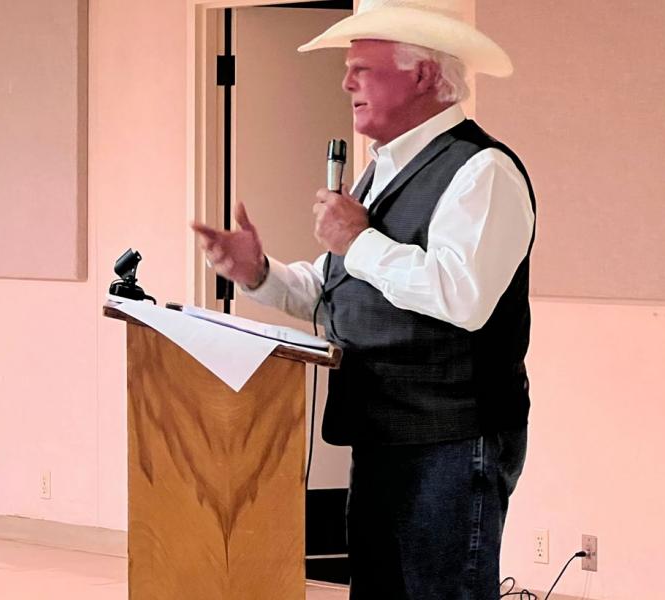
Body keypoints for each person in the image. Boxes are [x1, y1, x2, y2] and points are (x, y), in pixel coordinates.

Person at [192, 1, 535, 598]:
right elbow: (342, 293)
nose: (346, 82)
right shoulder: (382, 171)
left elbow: (463, 296)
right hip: (381, 430)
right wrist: (258, 272)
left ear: (424, 76)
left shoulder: (482, 171)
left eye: (363, 69)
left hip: (450, 436)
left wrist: (358, 239)